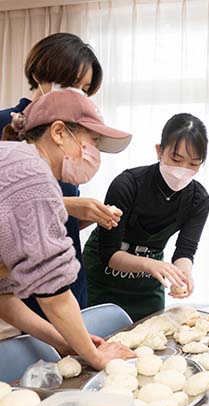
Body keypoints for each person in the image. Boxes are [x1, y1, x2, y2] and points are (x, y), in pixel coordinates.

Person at [0, 89, 134, 369]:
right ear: (59, 132)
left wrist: (65, 342)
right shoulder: (30, 174)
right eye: (92, 141)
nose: (95, 153)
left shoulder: (13, 163)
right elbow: (55, 296)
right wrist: (95, 356)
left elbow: (4, 298)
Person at [0, 32, 119, 318]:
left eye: (85, 88)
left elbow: (51, 224)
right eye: (70, 83)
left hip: (67, 283)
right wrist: (70, 205)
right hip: (18, 293)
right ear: (40, 75)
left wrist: (84, 216)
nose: (77, 93)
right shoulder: (4, 125)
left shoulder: (72, 135)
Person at [83, 113, 209, 321]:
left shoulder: (198, 199)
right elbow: (109, 254)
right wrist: (150, 265)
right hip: (101, 281)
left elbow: (185, 251)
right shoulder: (128, 184)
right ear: (159, 151)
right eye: (176, 159)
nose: (183, 170)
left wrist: (182, 274)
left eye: (194, 164)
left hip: (146, 288)